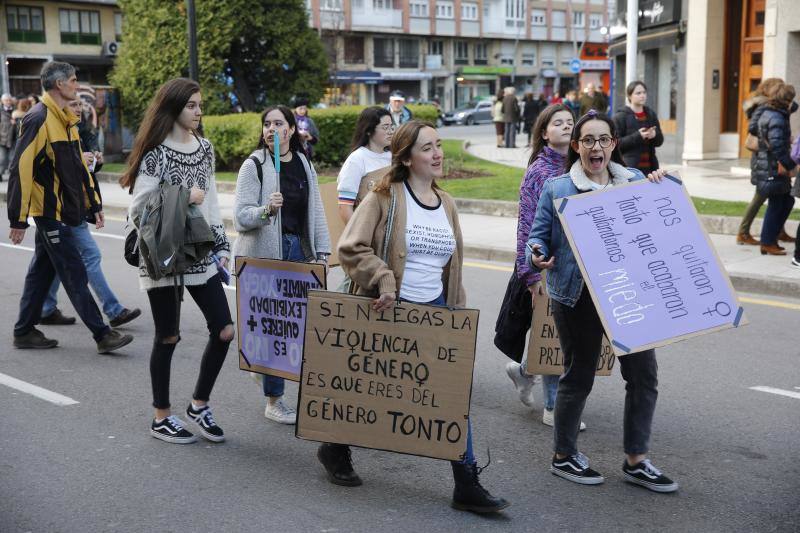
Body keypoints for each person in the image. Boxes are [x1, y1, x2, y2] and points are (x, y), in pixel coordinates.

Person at [318, 120, 509, 514]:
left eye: (439, 146)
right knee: (372, 391)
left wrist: (456, 316)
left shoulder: (448, 203)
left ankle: (466, 482)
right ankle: (335, 447)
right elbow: (350, 247)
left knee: (451, 398)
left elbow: (452, 267)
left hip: (436, 313)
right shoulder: (383, 197)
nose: (437, 154)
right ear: (406, 157)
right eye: (427, 148)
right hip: (390, 313)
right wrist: (383, 276)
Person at [527, 110, 678, 493]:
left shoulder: (636, 183)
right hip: (577, 296)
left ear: (614, 144)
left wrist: (661, 188)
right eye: (588, 140)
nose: (597, 147)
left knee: (644, 376)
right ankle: (563, 456)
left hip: (631, 295)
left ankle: (636, 460)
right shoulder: (558, 188)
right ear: (576, 147)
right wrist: (536, 254)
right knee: (578, 376)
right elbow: (537, 236)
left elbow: (658, 227)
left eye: (604, 139)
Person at [122, 77, 233, 444]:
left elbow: (213, 201)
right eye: (192, 106)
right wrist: (185, 196)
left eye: (201, 105)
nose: (199, 112)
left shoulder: (205, 148)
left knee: (225, 330)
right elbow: (138, 208)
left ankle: (198, 405)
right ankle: (161, 417)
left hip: (199, 251)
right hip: (162, 254)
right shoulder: (156, 152)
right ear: (173, 108)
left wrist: (222, 246)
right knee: (167, 336)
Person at [7, 61, 132, 354]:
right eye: (74, 80)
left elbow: (77, 168)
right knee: (74, 269)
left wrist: (93, 205)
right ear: (59, 84)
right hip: (49, 212)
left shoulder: (65, 118)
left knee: (41, 272)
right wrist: (18, 219)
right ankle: (103, 334)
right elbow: (20, 169)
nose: (77, 85)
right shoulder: (38, 117)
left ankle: (24, 331)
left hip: (65, 210)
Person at [233, 105, 331, 424]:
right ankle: (274, 399)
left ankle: (267, 371)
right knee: (276, 328)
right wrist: (265, 210)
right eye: (267, 124)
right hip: (265, 256)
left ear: (291, 129)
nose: (272, 129)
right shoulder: (255, 165)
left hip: (298, 251)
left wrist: (323, 253)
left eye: (279, 123)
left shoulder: (303, 163)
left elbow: (314, 211)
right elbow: (240, 217)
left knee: (298, 327)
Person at [505, 103, 585, 431]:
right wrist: (531, 274)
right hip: (547, 267)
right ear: (544, 132)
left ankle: (524, 371)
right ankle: (553, 406)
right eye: (559, 123)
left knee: (568, 335)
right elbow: (527, 224)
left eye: (570, 122)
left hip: (579, 266)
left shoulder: (584, 166)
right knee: (556, 337)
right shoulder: (539, 171)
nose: (566, 126)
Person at [39, 98, 141, 328]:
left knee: (54, 258)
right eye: (72, 104)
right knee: (90, 255)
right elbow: (47, 166)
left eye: (79, 105)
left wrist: (96, 161)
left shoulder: (80, 129)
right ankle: (113, 310)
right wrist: (78, 159)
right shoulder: (50, 127)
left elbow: (87, 173)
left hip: (74, 204)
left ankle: (44, 308)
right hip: (62, 206)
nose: (78, 108)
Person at [736, 78, 793, 246]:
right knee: (761, 196)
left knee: (780, 195)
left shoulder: (775, 107)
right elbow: (754, 130)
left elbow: (793, 107)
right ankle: (743, 232)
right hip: (765, 159)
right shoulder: (764, 108)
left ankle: (778, 231)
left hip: (770, 157)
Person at [749, 81, 797, 256]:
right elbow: (777, 146)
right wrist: (791, 164)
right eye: (791, 99)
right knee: (777, 204)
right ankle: (768, 242)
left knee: (787, 201)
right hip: (772, 167)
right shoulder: (776, 117)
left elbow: (754, 128)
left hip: (769, 165)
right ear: (786, 100)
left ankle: (770, 239)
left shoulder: (772, 112)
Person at [336, 106, 393, 224]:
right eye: (385, 127)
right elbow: (345, 207)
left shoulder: (393, 157)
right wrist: (358, 238)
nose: (390, 131)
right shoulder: (356, 160)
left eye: (391, 126)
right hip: (368, 229)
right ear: (368, 131)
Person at [613, 81, 664, 175]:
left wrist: (654, 135)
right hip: (630, 168)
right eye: (638, 93)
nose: (642, 95)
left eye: (644, 92)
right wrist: (638, 136)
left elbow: (660, 141)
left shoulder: (651, 114)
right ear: (629, 96)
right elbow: (615, 144)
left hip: (651, 168)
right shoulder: (620, 116)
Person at [292, 96, 320, 161]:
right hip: (294, 152)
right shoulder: (291, 121)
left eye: (304, 109)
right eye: (300, 108)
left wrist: (310, 137)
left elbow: (316, 139)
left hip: (307, 152)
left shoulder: (310, 121)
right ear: (295, 109)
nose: (302, 111)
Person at [0, 93, 16, 180]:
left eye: (9, 100)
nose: (8, 102)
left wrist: (15, 123)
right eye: (6, 100)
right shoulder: (0, 111)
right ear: (2, 101)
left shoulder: (16, 110)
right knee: (2, 159)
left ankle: (12, 177)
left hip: (13, 139)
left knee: (12, 158)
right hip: (3, 139)